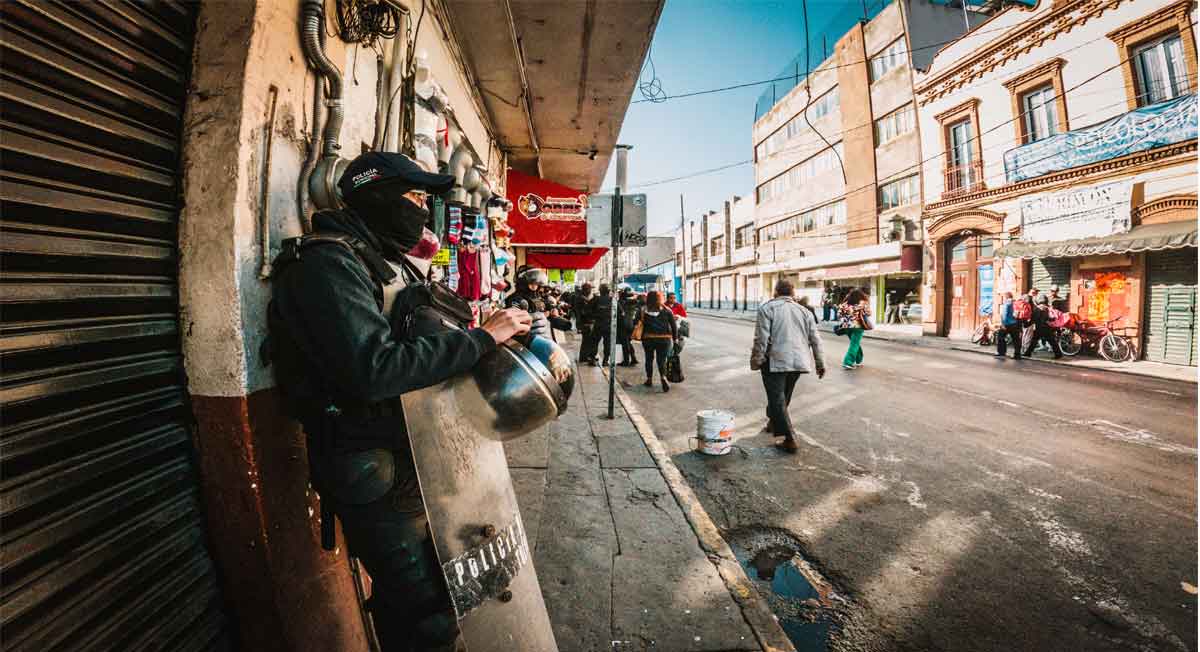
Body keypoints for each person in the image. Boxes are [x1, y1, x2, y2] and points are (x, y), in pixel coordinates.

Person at [268, 152, 532, 652]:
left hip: (418, 457)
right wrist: (479, 340)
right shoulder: (326, 265)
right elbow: (374, 370)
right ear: (377, 195)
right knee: (427, 613)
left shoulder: (388, 263)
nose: (422, 209)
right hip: (372, 466)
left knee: (444, 595)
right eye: (413, 196)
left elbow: (419, 340)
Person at [750, 279, 825, 453]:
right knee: (783, 396)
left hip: (775, 360)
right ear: (793, 294)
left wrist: (756, 361)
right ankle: (773, 422)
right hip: (799, 361)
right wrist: (820, 363)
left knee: (777, 398)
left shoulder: (767, 308)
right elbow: (816, 340)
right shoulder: (804, 311)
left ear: (775, 292)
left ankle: (790, 439)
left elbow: (761, 339)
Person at [506, 267, 571, 338]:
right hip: (525, 338)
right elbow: (514, 322)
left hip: (543, 334)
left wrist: (554, 310)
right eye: (532, 284)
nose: (536, 287)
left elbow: (548, 306)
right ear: (523, 284)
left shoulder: (538, 297)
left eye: (537, 284)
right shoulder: (516, 300)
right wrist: (539, 316)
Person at [638, 290, 679, 392]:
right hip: (664, 339)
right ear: (660, 299)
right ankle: (663, 377)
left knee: (649, 359)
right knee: (661, 360)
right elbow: (674, 327)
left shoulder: (643, 310)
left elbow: (636, 322)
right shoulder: (667, 310)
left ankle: (649, 379)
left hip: (648, 339)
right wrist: (675, 339)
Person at [838, 288, 871, 370]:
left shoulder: (844, 304)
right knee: (854, 344)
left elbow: (839, 314)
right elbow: (869, 313)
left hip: (846, 326)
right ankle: (848, 362)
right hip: (858, 326)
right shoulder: (863, 303)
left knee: (855, 343)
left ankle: (859, 360)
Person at [1023, 292, 1063, 359]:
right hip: (1048, 327)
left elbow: (1033, 319)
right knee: (1052, 342)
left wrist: (1026, 324)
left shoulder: (1037, 309)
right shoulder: (1048, 308)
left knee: (1034, 341)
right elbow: (1050, 318)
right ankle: (1058, 354)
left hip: (1040, 328)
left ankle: (1028, 353)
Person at [589, 284, 615, 366]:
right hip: (608, 325)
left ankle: (592, 358)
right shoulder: (612, 300)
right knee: (607, 343)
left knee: (594, 342)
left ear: (600, 291)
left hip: (598, 324)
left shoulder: (596, 299)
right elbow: (620, 312)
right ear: (608, 291)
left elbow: (588, 309)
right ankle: (605, 360)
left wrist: (594, 317)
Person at [995, 292, 1022, 360]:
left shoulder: (1007, 303)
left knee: (1000, 337)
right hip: (1015, 323)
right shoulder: (1016, 303)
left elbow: (1004, 314)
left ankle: (1002, 352)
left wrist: (1003, 324)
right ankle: (1017, 355)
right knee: (1016, 340)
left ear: (1006, 297)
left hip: (1007, 324)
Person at [616, 287, 640, 366]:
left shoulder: (621, 303)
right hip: (630, 324)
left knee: (625, 343)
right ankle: (633, 358)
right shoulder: (633, 302)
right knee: (628, 342)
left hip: (623, 325)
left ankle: (626, 361)